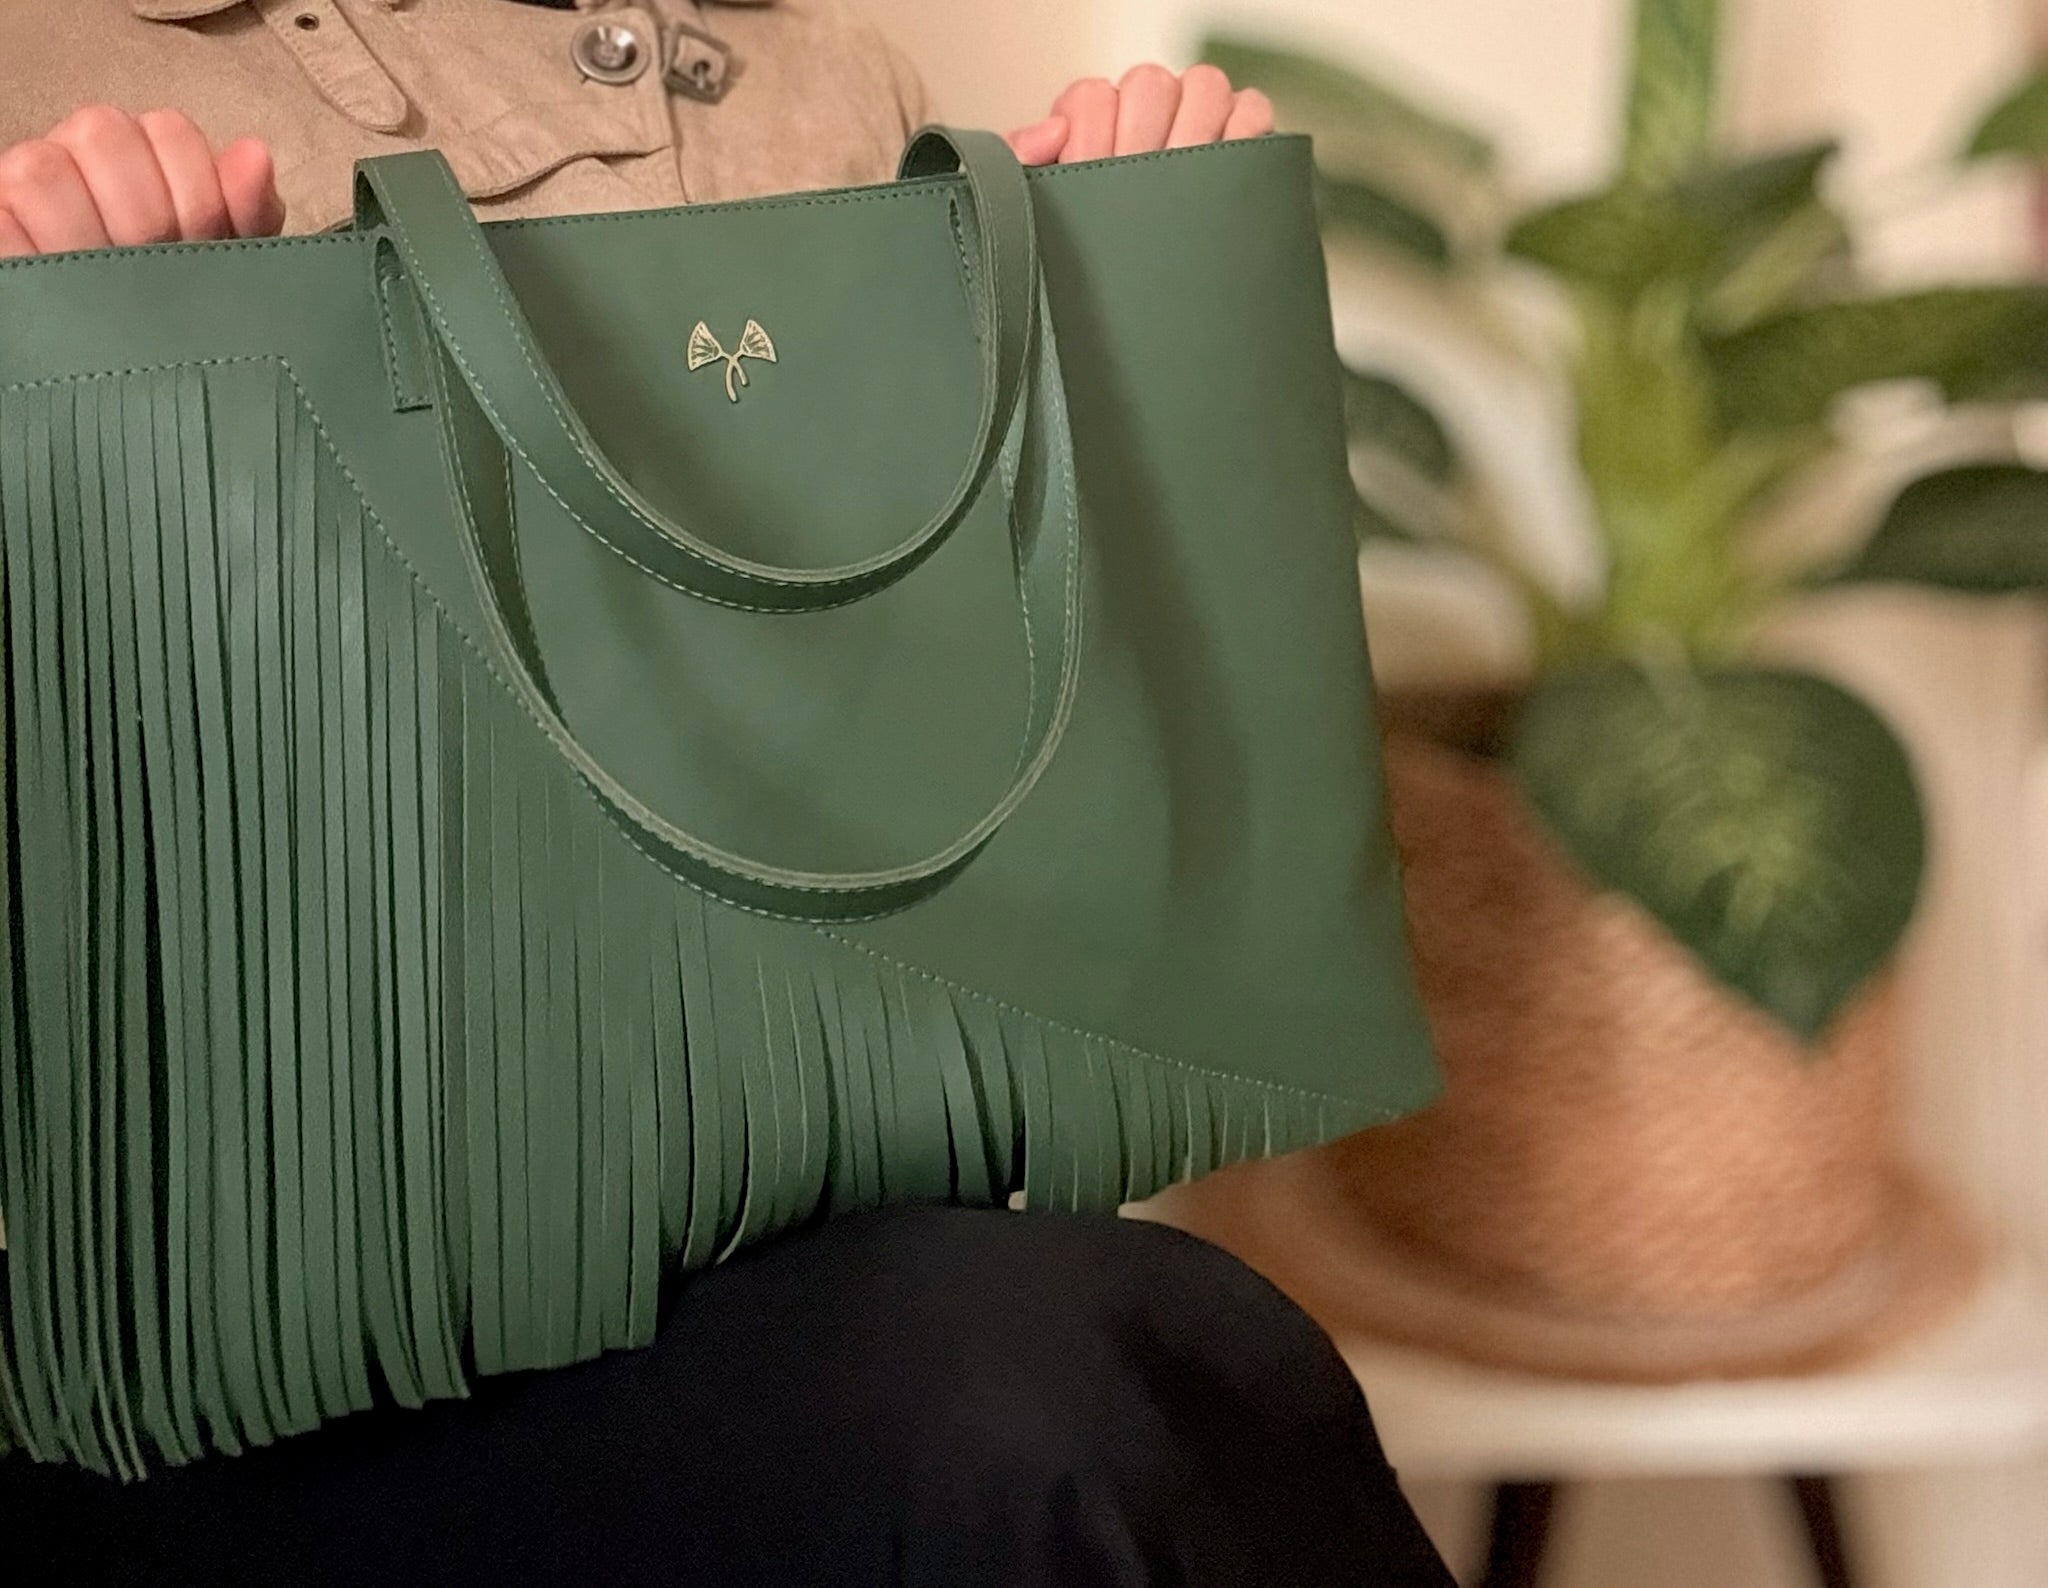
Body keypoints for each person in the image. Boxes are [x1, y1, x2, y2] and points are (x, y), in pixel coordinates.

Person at [0, 3, 1456, 1583]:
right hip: (290, 1346)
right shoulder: (49, 70)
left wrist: (1136, 311)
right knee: (1047, 1409)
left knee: (1168, 1357)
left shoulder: (818, 74)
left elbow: (923, 834)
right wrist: (95, 407)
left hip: (822, 1256)